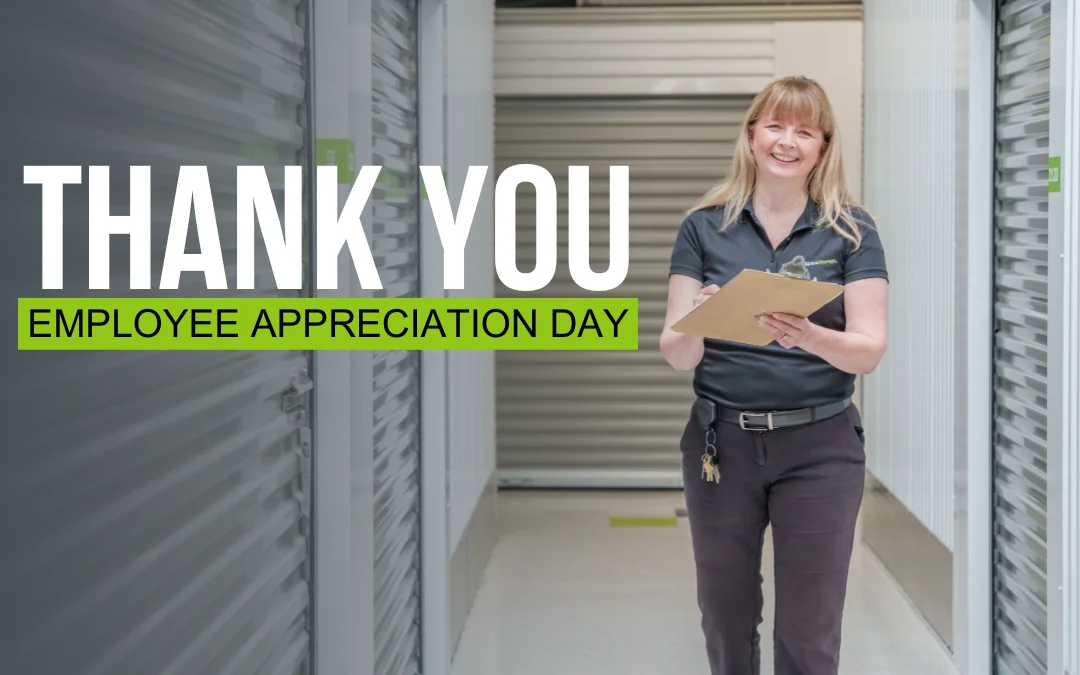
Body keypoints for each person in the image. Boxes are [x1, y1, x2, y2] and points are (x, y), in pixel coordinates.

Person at [659, 75, 889, 675]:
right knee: (725, 618)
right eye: (775, 126)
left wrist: (808, 334)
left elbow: (867, 351)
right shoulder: (703, 227)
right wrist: (702, 321)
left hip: (820, 448)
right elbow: (677, 352)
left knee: (810, 631)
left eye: (804, 131)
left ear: (822, 146)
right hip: (720, 446)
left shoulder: (852, 231)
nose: (787, 141)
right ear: (752, 135)